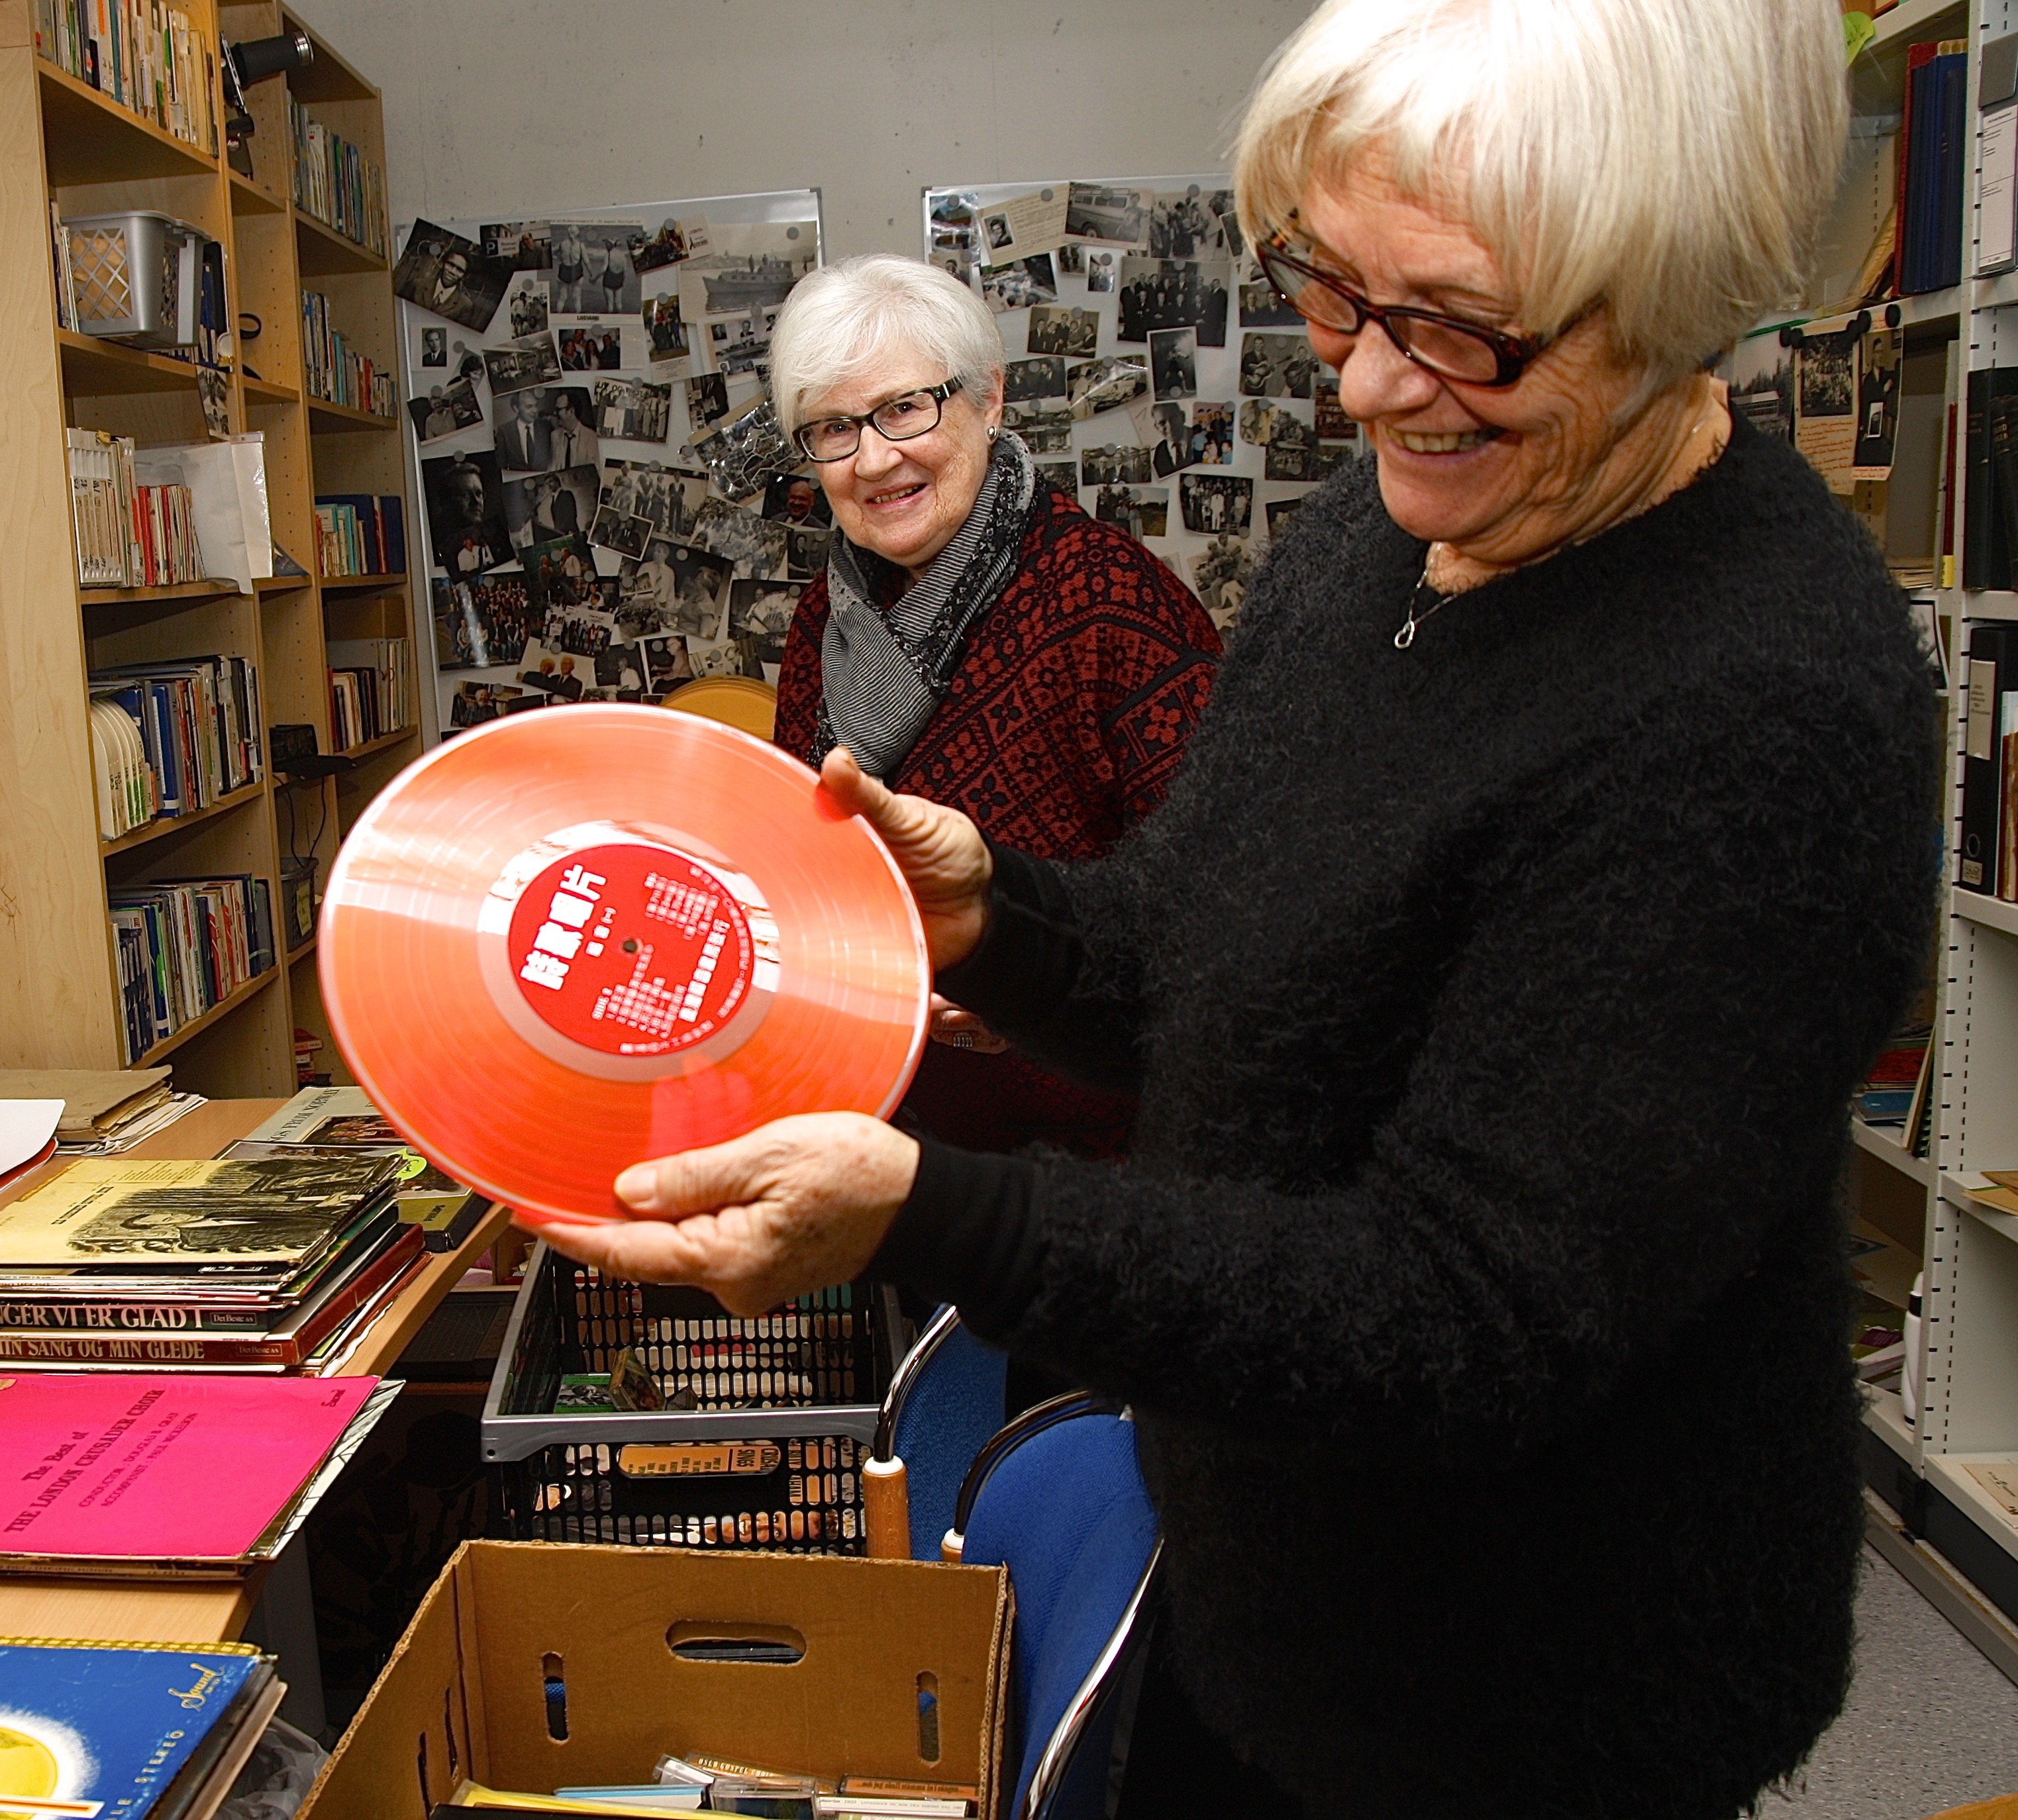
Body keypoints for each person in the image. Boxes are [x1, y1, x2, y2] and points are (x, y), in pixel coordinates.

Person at [533, 2, 1941, 1815]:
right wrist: (998, 919)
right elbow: (1217, 966)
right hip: (1256, 1563)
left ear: (1670, 292)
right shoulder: (1396, 523)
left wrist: (929, 1212)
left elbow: (1463, 1309)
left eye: (1448, 321)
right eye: (1329, 294)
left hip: (1519, 1693)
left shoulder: (1755, 704)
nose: (1357, 384)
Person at [759, 252, 1221, 1161]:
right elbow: (805, 855)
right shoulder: (828, 614)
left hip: (1102, 1157)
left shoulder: (1111, 598)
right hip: (899, 1136)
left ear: (989, 401)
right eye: (834, 428)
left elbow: (1215, 900)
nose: (875, 458)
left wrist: (1038, 983)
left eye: (903, 408)